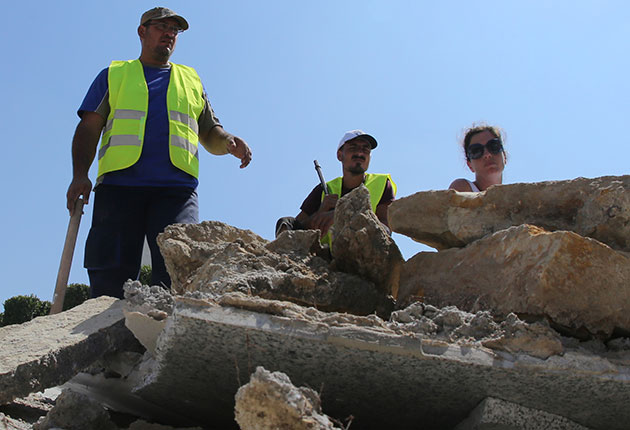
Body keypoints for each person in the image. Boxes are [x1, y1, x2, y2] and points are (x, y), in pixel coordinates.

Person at [66, 7, 252, 298]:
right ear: (142, 31)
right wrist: (80, 175)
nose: (169, 33)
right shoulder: (114, 75)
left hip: (176, 192)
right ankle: (110, 338)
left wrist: (229, 142)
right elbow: (89, 128)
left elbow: (210, 132)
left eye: (174, 30)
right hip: (119, 188)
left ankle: (165, 337)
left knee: (179, 270)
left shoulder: (191, 81)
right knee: (109, 279)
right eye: (161, 27)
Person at [276, 130, 396, 244]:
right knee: (286, 222)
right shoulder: (324, 189)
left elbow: (386, 228)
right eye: (353, 148)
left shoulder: (382, 183)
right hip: (323, 255)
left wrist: (341, 216)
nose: (360, 153)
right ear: (340, 155)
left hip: (359, 251)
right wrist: (320, 213)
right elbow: (299, 226)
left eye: (365, 149)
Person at [448, 124, 506, 192]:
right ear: (470, 165)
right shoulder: (462, 188)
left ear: (504, 156)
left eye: (493, 146)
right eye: (476, 151)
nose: (487, 154)